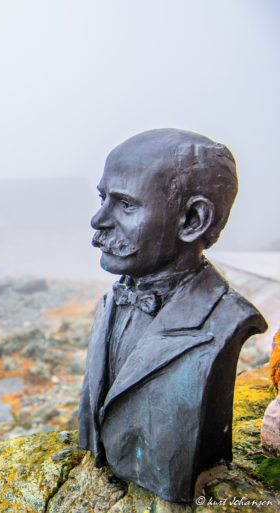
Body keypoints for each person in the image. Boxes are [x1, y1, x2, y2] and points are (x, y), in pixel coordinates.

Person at [77, 128, 267, 503]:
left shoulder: (224, 319)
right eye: (103, 198)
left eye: (126, 205)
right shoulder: (111, 302)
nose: (98, 220)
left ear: (193, 219)